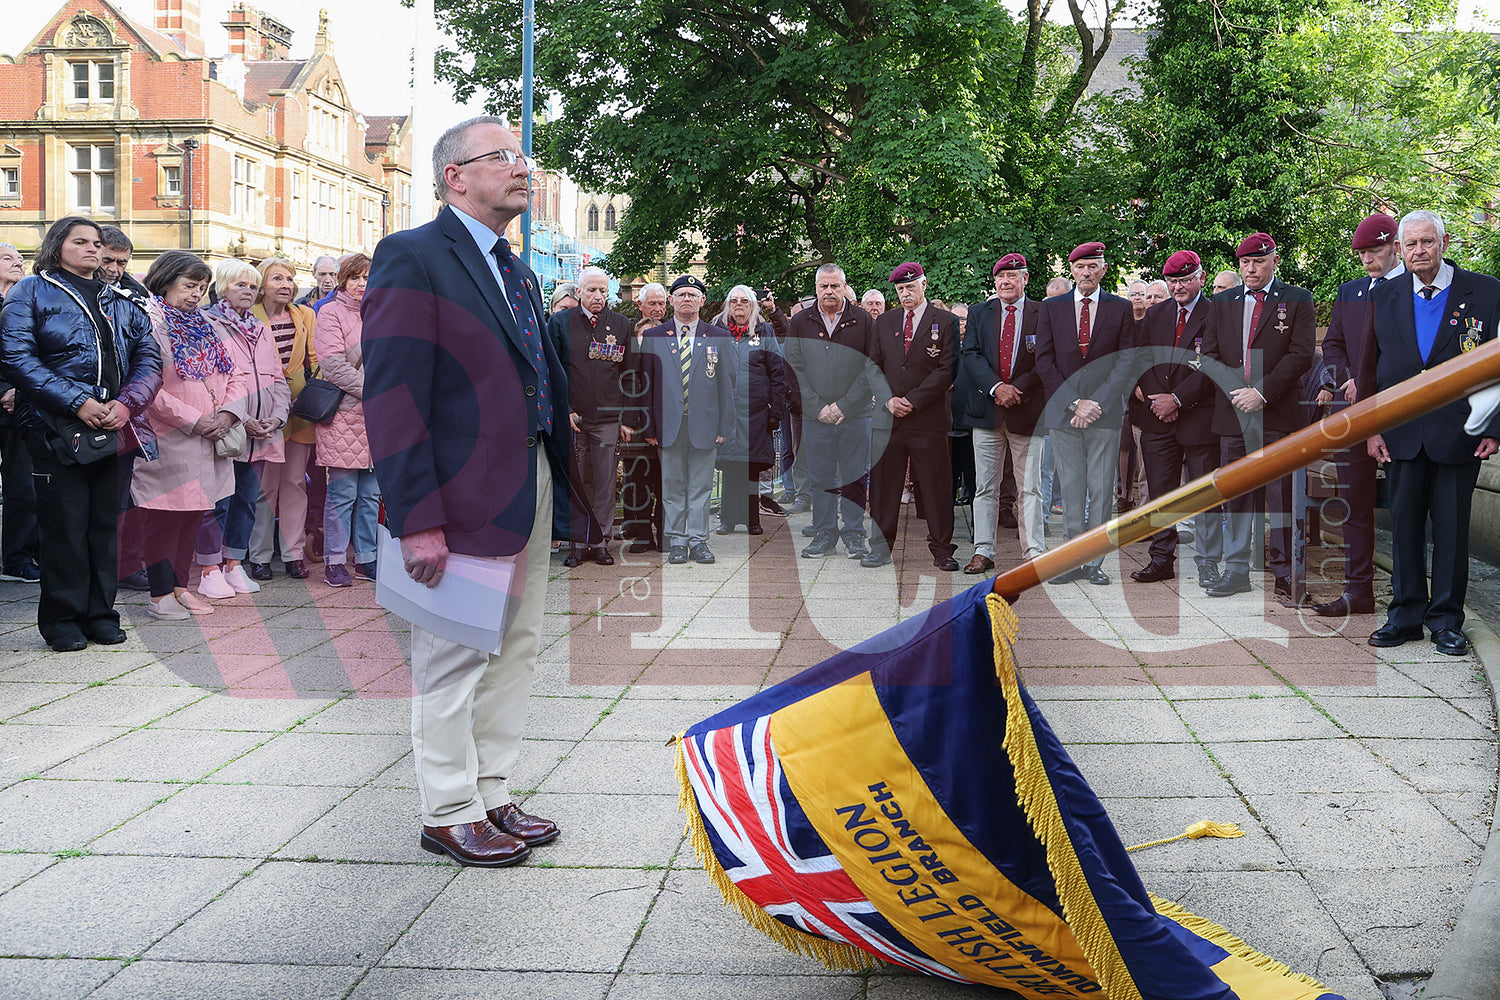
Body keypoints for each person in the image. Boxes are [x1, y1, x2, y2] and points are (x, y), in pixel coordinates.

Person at [363, 115, 566, 866]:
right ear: (456, 176)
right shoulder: (412, 256)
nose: (524, 167)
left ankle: (492, 790)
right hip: (457, 493)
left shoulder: (516, 267)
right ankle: (448, 808)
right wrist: (417, 519)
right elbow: (393, 397)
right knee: (454, 653)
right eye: (504, 156)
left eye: (524, 156)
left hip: (530, 477)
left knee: (516, 646)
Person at [0, 217, 162, 651]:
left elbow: (149, 359)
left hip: (114, 425)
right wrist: (77, 402)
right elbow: (16, 356)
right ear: (58, 246)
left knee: (105, 525)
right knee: (65, 527)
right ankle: (62, 619)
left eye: (97, 243)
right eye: (82, 242)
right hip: (56, 426)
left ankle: (101, 613)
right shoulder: (29, 291)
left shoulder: (122, 300)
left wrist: (127, 403)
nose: (93, 250)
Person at [1362, 210, 1500, 656]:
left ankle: (1445, 620)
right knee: (1403, 526)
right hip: (1400, 433)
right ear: (1399, 250)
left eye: (1427, 242)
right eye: (1411, 244)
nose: (1419, 251)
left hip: (1460, 431)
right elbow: (1371, 370)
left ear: (1444, 243)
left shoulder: (1486, 292)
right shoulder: (1383, 296)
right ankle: (1404, 617)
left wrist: (1495, 427)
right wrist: (1371, 428)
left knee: (1452, 531)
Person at [132, 251, 248, 620]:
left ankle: (181, 588)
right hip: (171, 438)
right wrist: (194, 420)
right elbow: (147, 384)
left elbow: (239, 374)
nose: (196, 294)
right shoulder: (148, 322)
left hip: (211, 437)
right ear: (165, 282)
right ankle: (159, 594)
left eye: (201, 287)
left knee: (194, 516)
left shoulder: (208, 324)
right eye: (189, 286)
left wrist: (229, 413)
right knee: (165, 519)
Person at [1201, 233, 1315, 602]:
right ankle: (1235, 570)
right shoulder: (1223, 302)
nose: (1251, 269)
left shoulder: (1297, 299)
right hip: (1233, 412)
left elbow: (1300, 355)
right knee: (1236, 491)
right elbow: (1211, 355)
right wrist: (1240, 393)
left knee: (1280, 494)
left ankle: (1283, 572)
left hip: (1278, 411)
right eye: (1245, 263)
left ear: (1274, 261)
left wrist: (1261, 392)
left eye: (1258, 262)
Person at [1311, 212, 1402, 617]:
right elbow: (1333, 344)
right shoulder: (1350, 292)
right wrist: (1346, 378)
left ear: (1395, 246)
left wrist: (1369, 384)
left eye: (1376, 250)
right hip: (1354, 412)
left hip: (1402, 410)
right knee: (1356, 504)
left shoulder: (1414, 290)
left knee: (1407, 507)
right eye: (1362, 253)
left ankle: (1407, 597)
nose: (1368, 260)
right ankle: (1358, 591)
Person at [1034, 242, 1134, 585]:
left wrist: (1096, 403)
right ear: (1072, 271)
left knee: (1101, 487)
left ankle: (1095, 562)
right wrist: (1075, 403)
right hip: (1064, 413)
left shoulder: (1120, 308)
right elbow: (1043, 361)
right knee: (1072, 488)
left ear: (1103, 269)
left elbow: (1125, 361)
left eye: (1093, 266)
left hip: (1104, 414)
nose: (1087, 273)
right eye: (1080, 267)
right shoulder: (1051, 308)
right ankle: (1071, 559)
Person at [194, 260, 291, 600]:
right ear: (222, 288)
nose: (248, 292)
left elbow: (278, 379)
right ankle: (209, 569)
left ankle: (233, 564)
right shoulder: (207, 323)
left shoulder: (261, 329)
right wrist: (240, 417)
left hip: (262, 433)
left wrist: (277, 418)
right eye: (240, 286)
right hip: (229, 428)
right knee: (217, 501)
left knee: (247, 501)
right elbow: (209, 381)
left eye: (252, 286)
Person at [1127, 250, 1221, 585]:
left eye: (1184, 279)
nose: (1177, 286)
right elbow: (1140, 358)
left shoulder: (1217, 313)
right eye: (1172, 280)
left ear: (1201, 277)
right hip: (1156, 417)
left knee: (1203, 494)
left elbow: (1214, 364)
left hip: (1198, 417)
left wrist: (1177, 399)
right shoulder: (1156, 314)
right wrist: (1155, 398)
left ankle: (1208, 564)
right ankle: (1161, 559)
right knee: (1161, 492)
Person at [864, 262, 958, 570]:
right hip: (889, 418)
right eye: (900, 289)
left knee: (935, 487)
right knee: (884, 485)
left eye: (911, 287)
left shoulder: (944, 322)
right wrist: (889, 400)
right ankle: (879, 548)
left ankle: (942, 549)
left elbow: (947, 369)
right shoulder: (885, 321)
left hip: (927, 419)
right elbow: (872, 366)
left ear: (924, 285)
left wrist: (912, 401)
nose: (905, 293)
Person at [637, 274, 735, 565]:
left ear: (702, 301)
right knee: (673, 486)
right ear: (671, 301)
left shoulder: (718, 337)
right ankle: (677, 541)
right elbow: (646, 385)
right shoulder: (655, 337)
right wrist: (649, 426)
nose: (687, 299)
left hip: (705, 425)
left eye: (693, 295)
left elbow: (727, 385)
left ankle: (699, 541)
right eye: (681, 295)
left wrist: (724, 426)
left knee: (702, 487)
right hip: (668, 427)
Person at [956, 254, 1045, 574]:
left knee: (1030, 487)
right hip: (986, 411)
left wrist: (1016, 388)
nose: (1005, 282)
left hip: (1028, 409)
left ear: (1025, 278)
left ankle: (1034, 550)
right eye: (1000, 277)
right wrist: (997, 388)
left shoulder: (1042, 312)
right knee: (984, 487)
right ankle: (983, 550)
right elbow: (971, 355)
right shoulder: (980, 312)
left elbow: (1045, 357)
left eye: (1012, 276)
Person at [784, 264, 877, 560]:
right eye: (823, 286)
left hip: (856, 414)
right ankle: (824, 533)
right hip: (815, 416)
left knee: (854, 475)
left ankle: (853, 534)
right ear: (816, 289)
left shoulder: (863, 320)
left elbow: (871, 367)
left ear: (845, 287)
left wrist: (843, 406)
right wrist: (817, 407)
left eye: (834, 286)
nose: (829, 292)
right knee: (820, 476)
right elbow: (793, 369)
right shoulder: (801, 322)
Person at [552, 266, 634, 566]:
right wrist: (565, 409)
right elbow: (553, 371)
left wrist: (627, 419)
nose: (598, 296)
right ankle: (577, 543)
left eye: (602, 290)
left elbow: (630, 375)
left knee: (604, 482)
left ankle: (599, 542)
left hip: (609, 418)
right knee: (577, 480)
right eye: (591, 290)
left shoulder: (622, 324)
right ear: (579, 292)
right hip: (573, 417)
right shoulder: (560, 323)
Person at [247, 257, 319, 581]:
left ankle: (293, 555)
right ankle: (259, 556)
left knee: (294, 483)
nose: (286, 285)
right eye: (277, 278)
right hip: (264, 410)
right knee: (265, 486)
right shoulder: (250, 317)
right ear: (262, 284)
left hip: (301, 410)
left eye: (289, 279)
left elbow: (315, 359)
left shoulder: (305, 314)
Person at [315, 253, 380, 587]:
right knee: (343, 492)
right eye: (355, 277)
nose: (361, 284)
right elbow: (333, 365)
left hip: (378, 419)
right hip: (345, 414)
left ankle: (366, 558)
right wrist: (376, 392)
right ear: (343, 280)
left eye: (368, 277)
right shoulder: (330, 313)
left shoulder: (382, 312)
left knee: (371, 494)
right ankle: (336, 559)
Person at [712, 285, 786, 536]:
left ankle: (752, 519)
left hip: (756, 410)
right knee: (730, 465)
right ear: (728, 304)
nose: (739, 305)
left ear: (753, 305)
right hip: (724, 411)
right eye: (734, 300)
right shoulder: (717, 331)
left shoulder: (764, 331)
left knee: (751, 466)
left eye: (744, 300)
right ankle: (727, 520)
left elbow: (777, 371)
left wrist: (775, 410)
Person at [0, 244, 40, 584]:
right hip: (5, 399)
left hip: (21, 410)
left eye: (20, 259)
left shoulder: (26, 304)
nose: (18, 263)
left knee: (23, 485)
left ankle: (18, 557)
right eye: (7, 258)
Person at [622, 283, 667, 553]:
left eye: (662, 304)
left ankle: (664, 534)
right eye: (653, 304)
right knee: (636, 483)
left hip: (663, 427)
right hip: (636, 428)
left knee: (664, 485)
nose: (659, 309)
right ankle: (640, 534)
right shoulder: (630, 340)